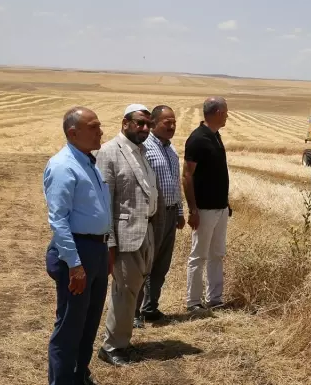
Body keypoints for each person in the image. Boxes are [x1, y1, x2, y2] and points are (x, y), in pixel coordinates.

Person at [43, 106, 112, 385]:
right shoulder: (63, 166)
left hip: (96, 250)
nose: (101, 131)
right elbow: (58, 220)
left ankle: (80, 375)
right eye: (94, 127)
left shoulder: (87, 162)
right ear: (73, 132)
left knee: (90, 322)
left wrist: (107, 250)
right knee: (70, 326)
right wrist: (75, 265)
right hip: (77, 252)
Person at [95, 103, 159, 366]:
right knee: (123, 291)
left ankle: (122, 340)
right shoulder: (110, 152)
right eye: (139, 123)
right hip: (124, 236)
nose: (145, 128)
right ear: (125, 123)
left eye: (148, 125)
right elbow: (104, 203)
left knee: (132, 290)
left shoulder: (142, 151)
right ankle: (111, 348)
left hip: (145, 231)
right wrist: (109, 242)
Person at [133, 105, 185, 328]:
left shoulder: (171, 150)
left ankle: (150, 307)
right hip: (152, 214)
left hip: (171, 212)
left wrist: (180, 212)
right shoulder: (144, 148)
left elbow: (175, 183)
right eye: (167, 122)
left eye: (174, 122)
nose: (172, 126)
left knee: (162, 264)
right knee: (144, 263)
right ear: (153, 124)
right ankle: (133, 312)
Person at [182, 96, 231, 317]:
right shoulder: (197, 139)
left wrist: (226, 204)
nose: (228, 115)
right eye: (226, 111)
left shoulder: (215, 136)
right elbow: (187, 175)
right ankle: (193, 302)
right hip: (203, 209)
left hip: (220, 208)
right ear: (218, 112)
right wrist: (193, 209)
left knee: (217, 254)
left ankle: (215, 299)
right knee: (198, 256)